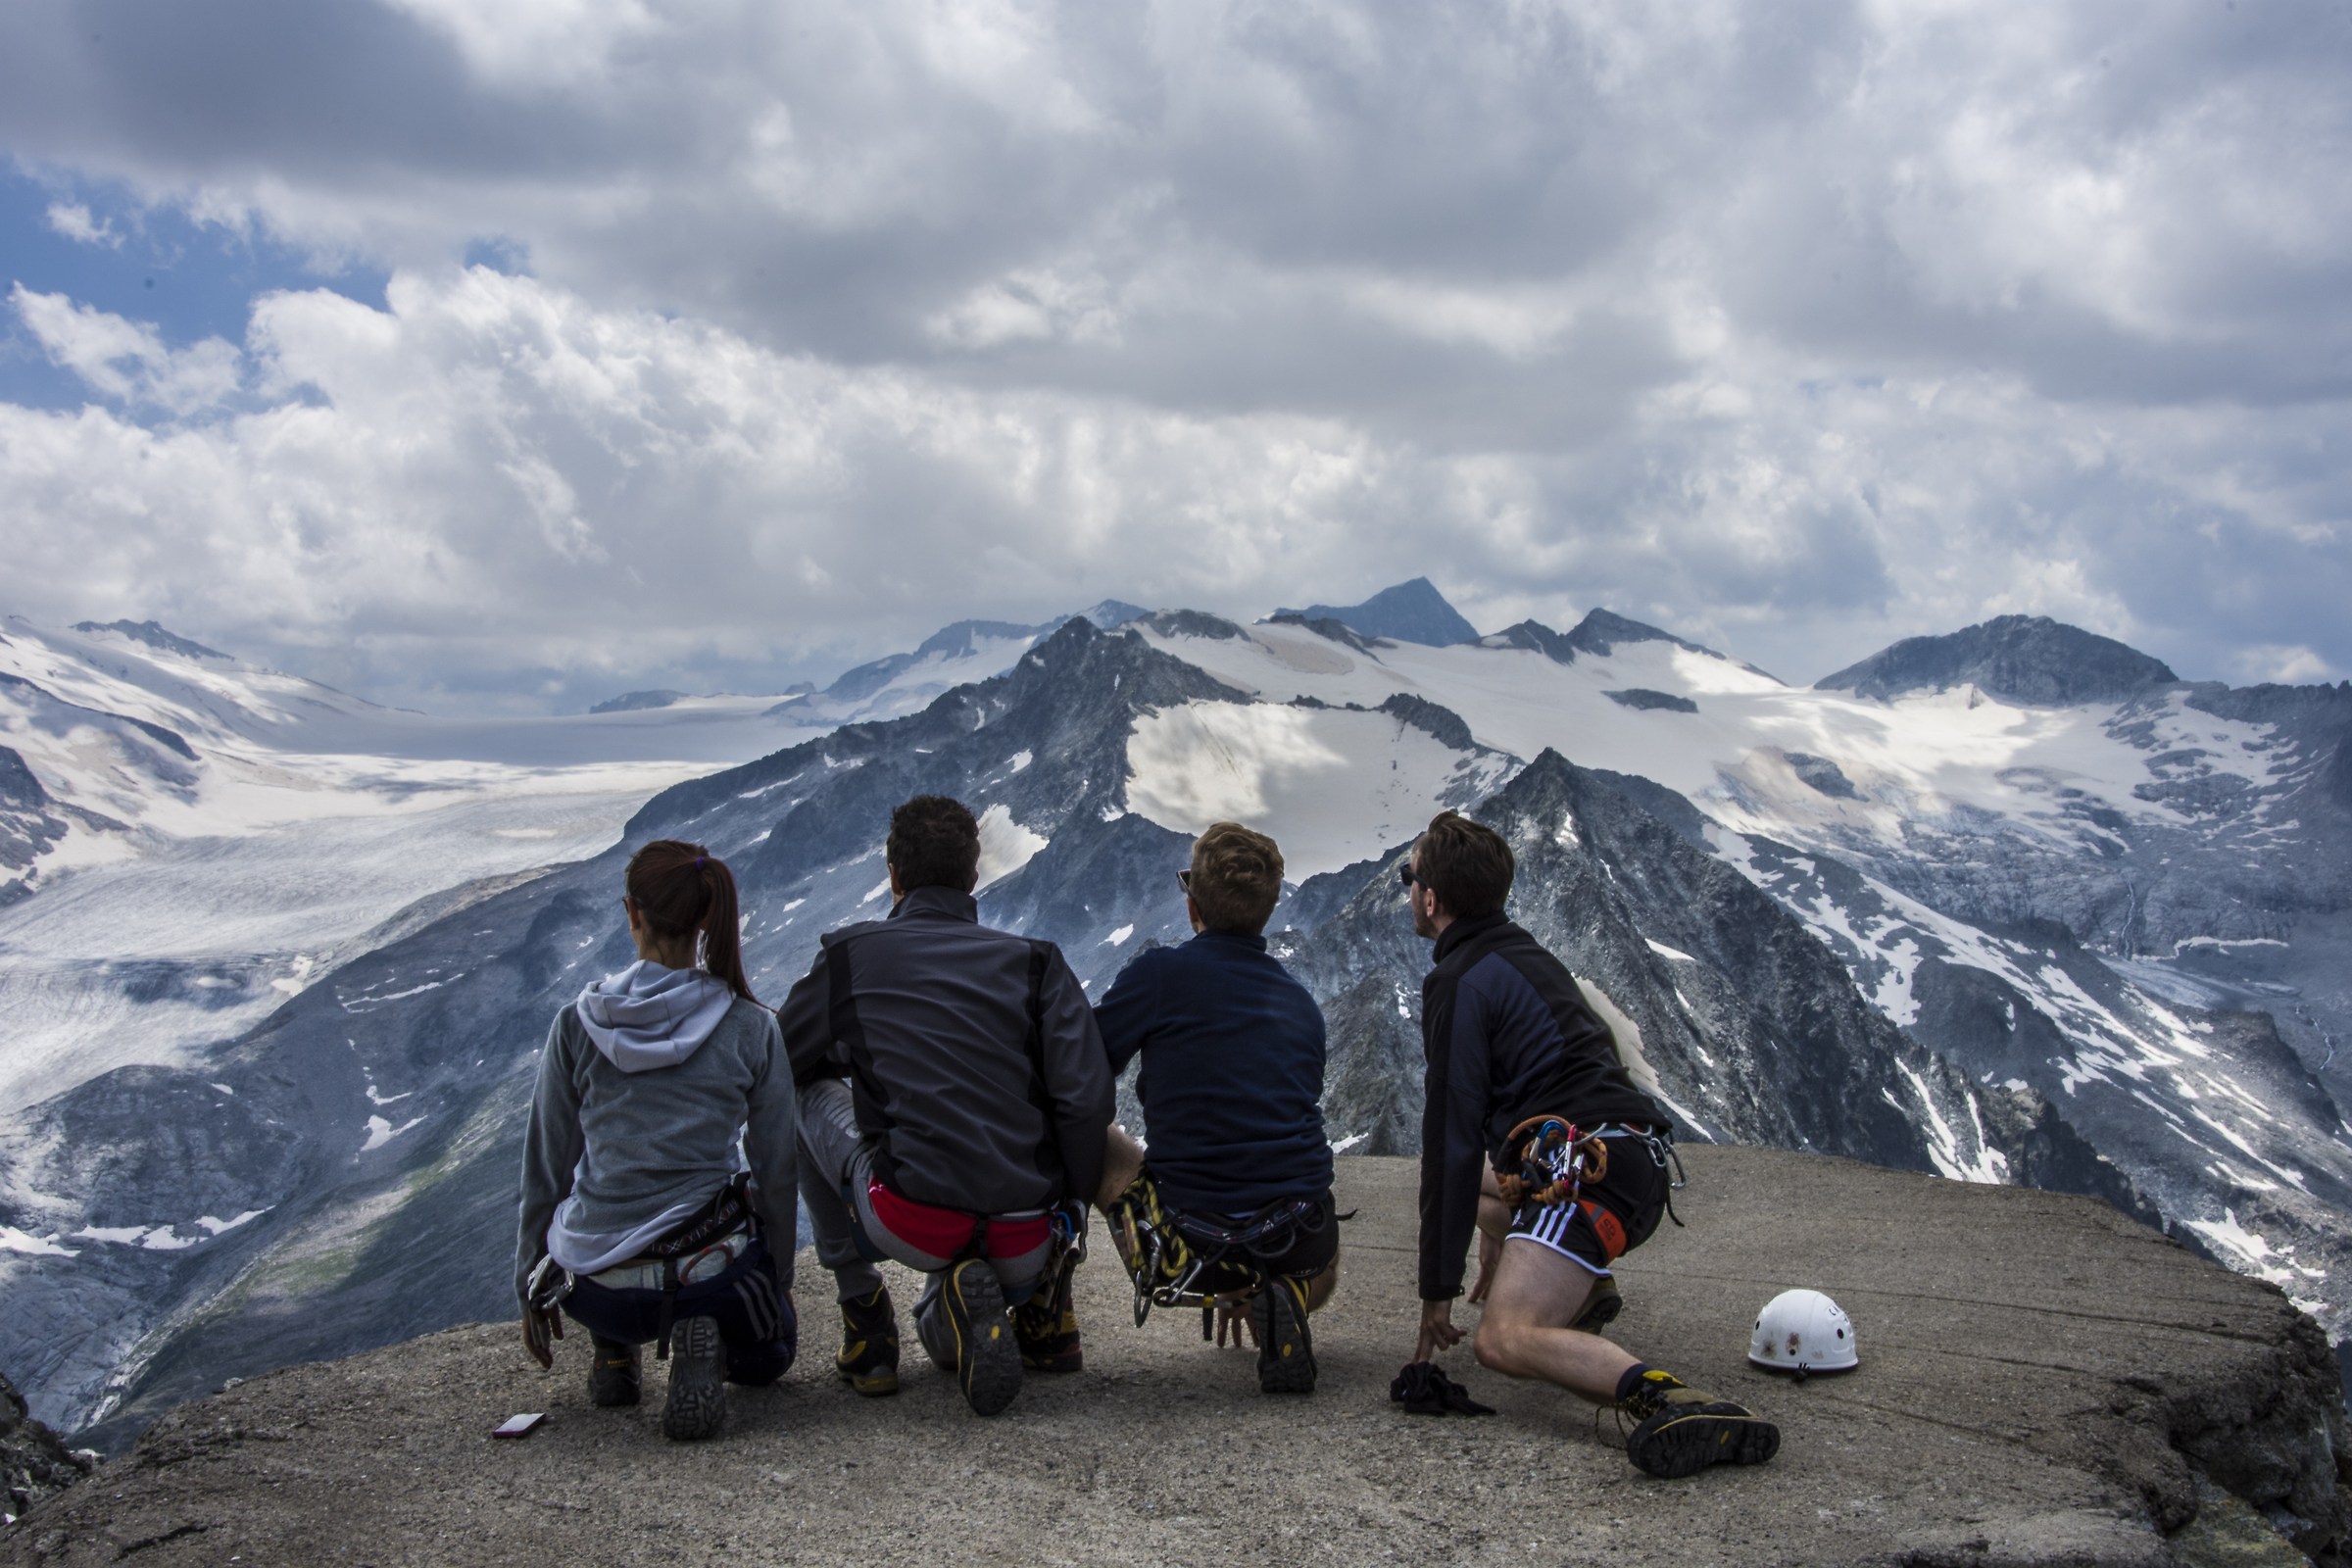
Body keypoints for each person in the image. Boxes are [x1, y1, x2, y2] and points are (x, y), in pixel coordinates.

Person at [1404, 810, 1780, 1478]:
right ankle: (1580, 1290)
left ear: (1430, 899)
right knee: (1482, 1195)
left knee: (1502, 1339)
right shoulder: (1523, 953)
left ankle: (1676, 1401)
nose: (1408, 889)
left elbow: (1452, 1139)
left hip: (1584, 1178)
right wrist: (1497, 1234)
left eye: (1410, 877)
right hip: (1630, 1161)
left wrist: (1437, 1290)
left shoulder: (1458, 981)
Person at [779, 795, 1113, 1416]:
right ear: (974, 875)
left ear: (894, 876)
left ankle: (866, 1325)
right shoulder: (1038, 964)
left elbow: (780, 1060)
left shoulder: (851, 957)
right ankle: (964, 1306)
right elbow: (1085, 1100)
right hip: (1025, 1236)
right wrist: (1067, 1212)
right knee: (966, 1278)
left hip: (911, 1220)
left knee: (803, 1098)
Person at [515, 840, 798, 1443]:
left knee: (594, 1198)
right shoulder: (752, 1026)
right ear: (706, 918)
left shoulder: (575, 1024)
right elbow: (777, 1171)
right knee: (773, 1353)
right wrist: (776, 1281)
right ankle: (713, 1344)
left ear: (631, 913)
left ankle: (614, 1354)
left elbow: (547, 1167)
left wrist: (529, 1283)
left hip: (594, 1287)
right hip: (705, 1274)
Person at [1093, 822, 1340, 1394]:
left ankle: (1049, 1321)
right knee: (1321, 1267)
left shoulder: (1158, 975)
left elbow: (1081, 1073)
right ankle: (1287, 1293)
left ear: (1192, 903)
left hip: (1187, 1241)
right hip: (1299, 1236)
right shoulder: (1302, 1004)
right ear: (1268, 909)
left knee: (1092, 1138)